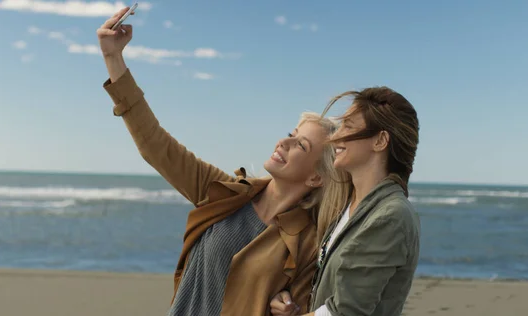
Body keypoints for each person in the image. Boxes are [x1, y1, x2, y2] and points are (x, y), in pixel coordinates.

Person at [96, 7, 349, 316]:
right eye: (290, 133)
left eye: (301, 145)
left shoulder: (308, 243)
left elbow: (312, 306)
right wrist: (113, 58)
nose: (284, 142)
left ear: (316, 178)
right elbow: (155, 144)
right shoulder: (225, 192)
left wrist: (290, 310)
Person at [269, 86, 421, 316]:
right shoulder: (349, 207)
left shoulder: (390, 216)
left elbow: (344, 312)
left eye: (348, 126)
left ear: (380, 141)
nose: (335, 136)